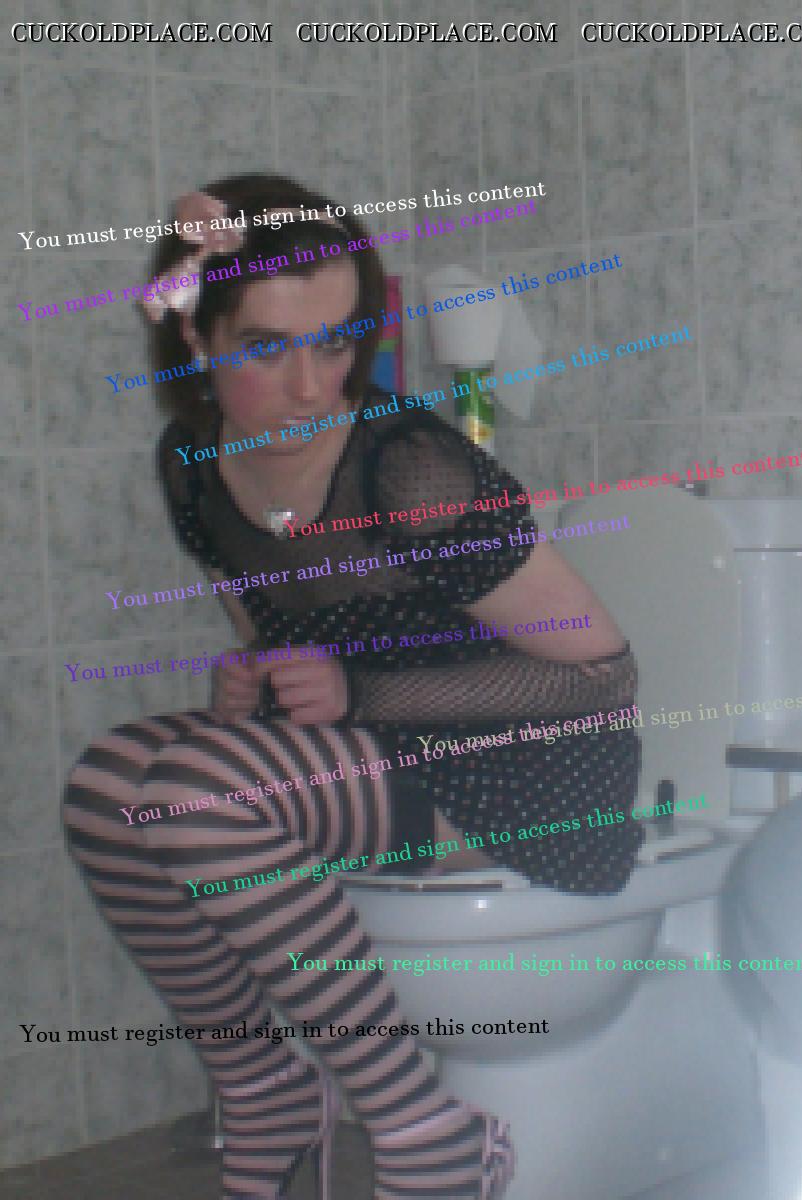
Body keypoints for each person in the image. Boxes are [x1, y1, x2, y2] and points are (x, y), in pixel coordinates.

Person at [63, 173, 643, 1200]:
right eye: (266, 348)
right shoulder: (194, 460)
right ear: (197, 338)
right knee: (107, 790)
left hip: (519, 763)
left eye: (336, 345)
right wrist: (251, 688)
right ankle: (261, 1088)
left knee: (195, 796)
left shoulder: (410, 470)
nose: (310, 387)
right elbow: (272, 631)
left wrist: (356, 694)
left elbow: (603, 675)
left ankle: (421, 1130)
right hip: (366, 752)